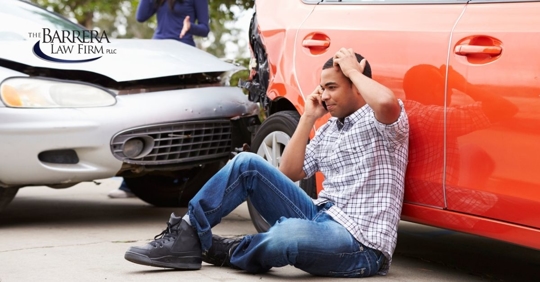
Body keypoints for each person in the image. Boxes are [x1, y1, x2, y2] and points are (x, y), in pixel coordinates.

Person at [123, 48, 409, 277]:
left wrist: (351, 70)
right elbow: (288, 172)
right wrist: (308, 117)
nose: (323, 95)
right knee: (247, 162)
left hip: (359, 244)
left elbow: (386, 103)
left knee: (286, 234)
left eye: (332, 87)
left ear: (357, 86)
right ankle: (187, 233)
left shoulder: (381, 122)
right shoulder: (328, 130)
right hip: (319, 215)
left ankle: (231, 250)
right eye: (322, 88)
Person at [135, 0, 210, 47]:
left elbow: (205, 29)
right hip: (158, 47)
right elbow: (141, 17)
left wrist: (190, 26)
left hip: (183, 48)